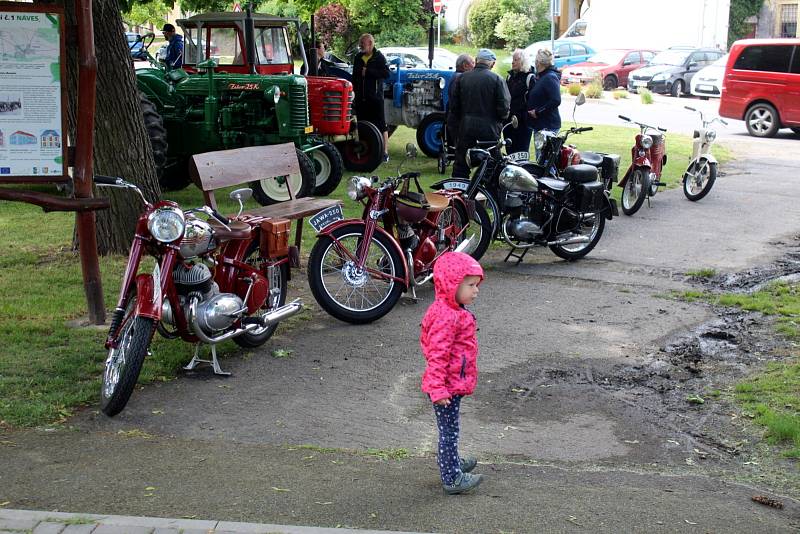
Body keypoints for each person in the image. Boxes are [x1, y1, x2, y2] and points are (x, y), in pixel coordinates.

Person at [421, 251, 485, 495]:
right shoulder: (447, 317)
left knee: (451, 429)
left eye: (476, 285)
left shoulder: (452, 310)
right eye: (470, 285)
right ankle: (451, 477)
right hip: (445, 387)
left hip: (450, 384)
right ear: (451, 285)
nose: (475, 290)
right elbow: (437, 356)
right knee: (449, 432)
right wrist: (437, 389)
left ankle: (452, 462)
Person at [449, 48, 510, 178]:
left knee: (461, 166)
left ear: (476, 61)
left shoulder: (462, 78)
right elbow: (504, 108)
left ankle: (457, 194)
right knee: (491, 165)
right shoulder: (497, 79)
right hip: (489, 130)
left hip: (466, 128)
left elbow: (454, 106)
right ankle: (488, 195)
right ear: (492, 64)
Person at [352, 33, 390, 162]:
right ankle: (368, 151)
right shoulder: (358, 57)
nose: (360, 46)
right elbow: (355, 74)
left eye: (362, 44)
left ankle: (385, 153)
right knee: (362, 125)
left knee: (381, 125)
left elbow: (386, 73)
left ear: (370, 43)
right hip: (361, 98)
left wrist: (368, 72)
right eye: (360, 44)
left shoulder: (379, 57)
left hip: (375, 98)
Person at [527, 48, 562, 160]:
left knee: (544, 160)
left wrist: (538, 111)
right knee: (541, 159)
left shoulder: (549, 77)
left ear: (539, 62)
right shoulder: (542, 76)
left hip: (548, 126)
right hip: (541, 125)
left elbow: (556, 100)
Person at [505, 49, 535, 154]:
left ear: (523, 61)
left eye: (516, 60)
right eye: (513, 59)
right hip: (509, 121)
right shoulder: (509, 76)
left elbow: (532, 101)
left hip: (523, 122)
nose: (513, 62)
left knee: (521, 152)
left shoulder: (530, 77)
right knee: (510, 150)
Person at [445, 53, 475, 153]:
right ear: (465, 65)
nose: (474, 66)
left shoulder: (456, 76)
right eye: (473, 63)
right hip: (458, 121)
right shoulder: (461, 78)